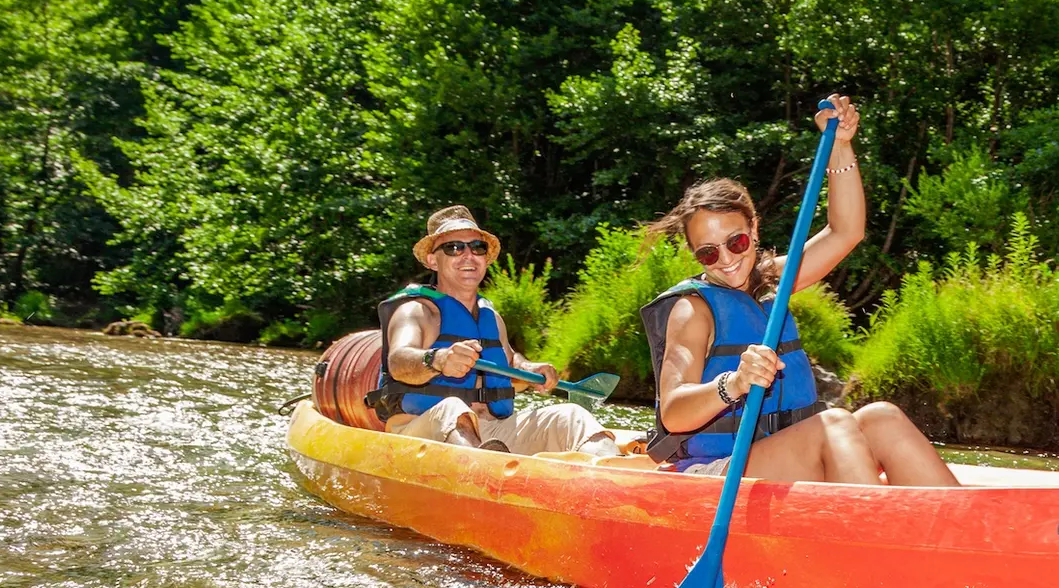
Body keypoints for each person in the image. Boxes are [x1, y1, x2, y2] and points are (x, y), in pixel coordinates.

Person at [639, 95, 959, 486]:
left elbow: (845, 231)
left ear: (754, 230)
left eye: (736, 242)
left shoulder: (771, 279)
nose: (725, 259)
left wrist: (839, 146)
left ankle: (963, 523)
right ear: (695, 254)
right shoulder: (692, 310)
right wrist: (734, 383)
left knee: (882, 418)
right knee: (833, 424)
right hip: (714, 474)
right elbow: (674, 413)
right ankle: (864, 520)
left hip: (785, 455)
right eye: (708, 252)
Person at [370, 205, 620, 457]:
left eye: (477, 247)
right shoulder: (417, 311)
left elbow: (509, 362)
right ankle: (485, 472)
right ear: (433, 260)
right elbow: (398, 361)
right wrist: (439, 359)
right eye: (454, 248)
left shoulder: (491, 316)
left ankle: (612, 470)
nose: (468, 256)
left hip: (492, 432)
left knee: (571, 415)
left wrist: (528, 369)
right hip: (422, 430)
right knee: (453, 407)